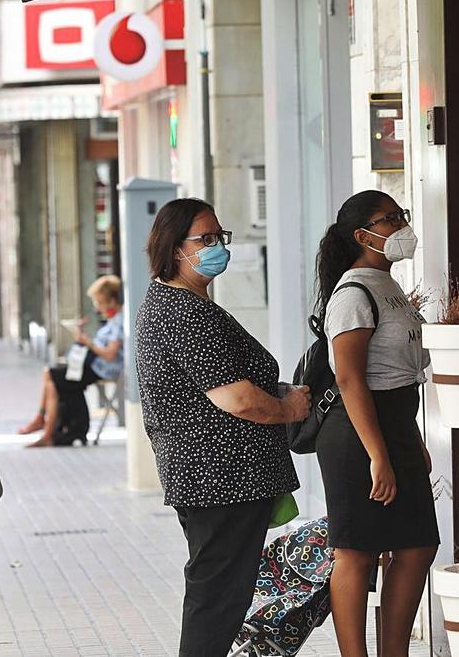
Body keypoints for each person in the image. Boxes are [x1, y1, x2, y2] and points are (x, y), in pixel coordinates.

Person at [134, 198, 310, 656]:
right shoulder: (184, 312)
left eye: (220, 238)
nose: (216, 247)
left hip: (220, 478)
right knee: (217, 599)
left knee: (221, 596)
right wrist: (288, 409)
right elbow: (235, 398)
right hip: (219, 479)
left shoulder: (180, 304)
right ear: (175, 249)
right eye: (205, 240)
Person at [314, 190, 439, 657]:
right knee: (356, 549)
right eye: (390, 219)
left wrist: (411, 438)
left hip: (395, 423)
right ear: (361, 234)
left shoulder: (388, 284)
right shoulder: (353, 293)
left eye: (401, 215)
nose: (402, 226)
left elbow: (401, 371)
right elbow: (349, 379)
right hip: (357, 434)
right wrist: (378, 455)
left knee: (416, 545)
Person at [17, 275, 125, 448]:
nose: (97, 308)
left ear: (112, 301)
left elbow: (110, 355)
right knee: (52, 376)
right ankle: (46, 426)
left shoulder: (119, 321)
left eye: (100, 302)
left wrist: (87, 342)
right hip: (94, 365)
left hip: (102, 368)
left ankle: (46, 429)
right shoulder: (113, 320)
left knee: (52, 376)